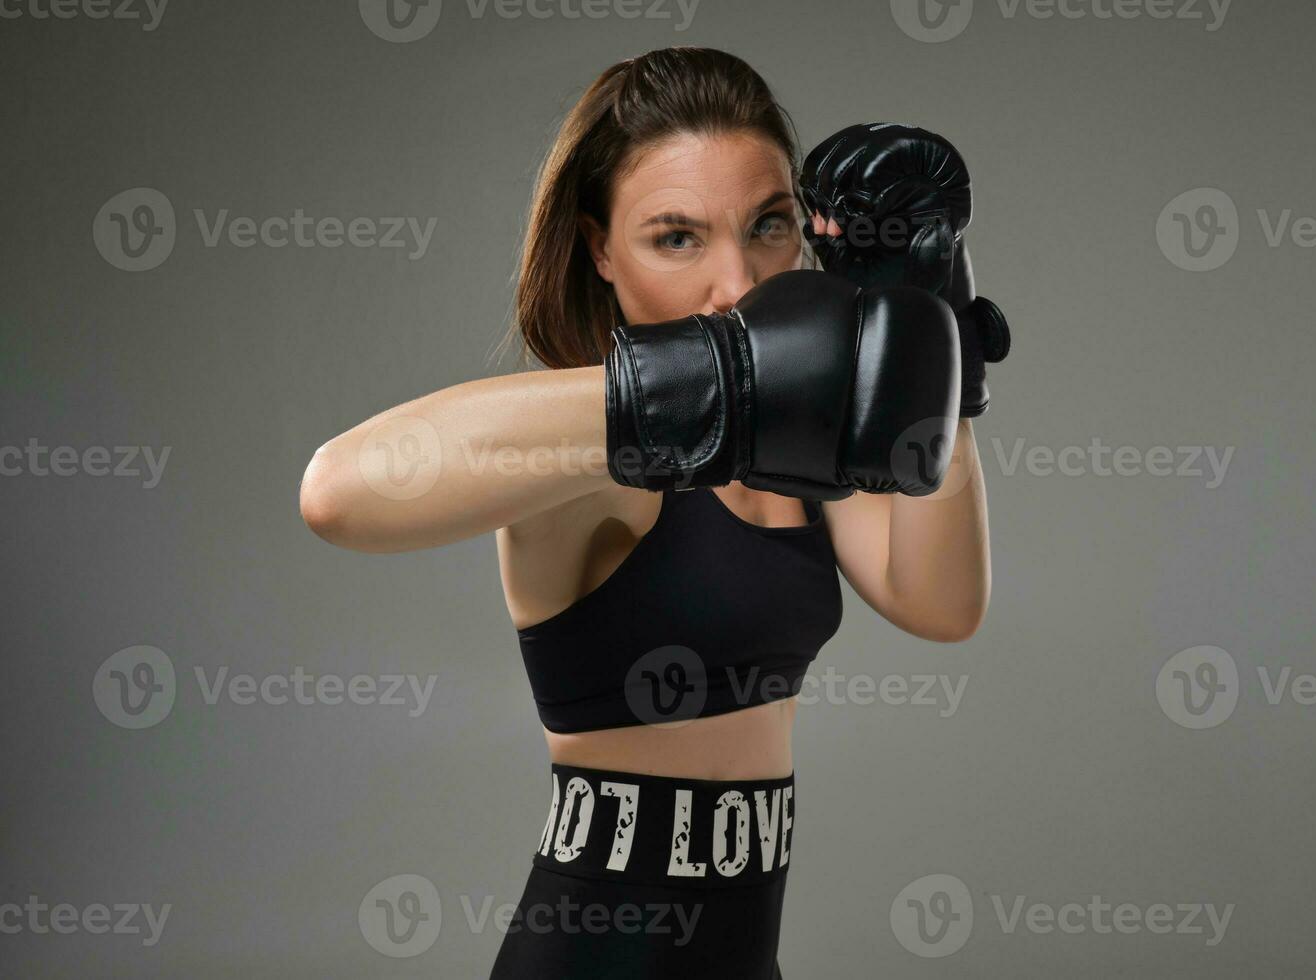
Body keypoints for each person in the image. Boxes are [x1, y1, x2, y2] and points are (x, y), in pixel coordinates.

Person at [298, 46, 1001, 979]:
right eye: (677, 237)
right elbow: (338, 491)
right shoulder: (594, 466)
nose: (739, 284)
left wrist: (935, 329)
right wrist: (705, 381)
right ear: (599, 249)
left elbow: (942, 603)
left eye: (769, 226)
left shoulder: (798, 455)